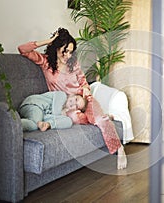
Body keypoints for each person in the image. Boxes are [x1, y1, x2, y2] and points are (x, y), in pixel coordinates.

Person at [18, 28, 127, 170]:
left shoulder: (73, 64)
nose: (68, 55)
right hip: (64, 105)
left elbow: (82, 81)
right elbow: (22, 49)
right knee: (74, 120)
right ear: (57, 47)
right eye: (65, 51)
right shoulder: (45, 62)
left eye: (70, 52)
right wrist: (49, 41)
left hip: (81, 99)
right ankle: (102, 116)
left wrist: (86, 91)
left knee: (99, 120)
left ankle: (119, 149)